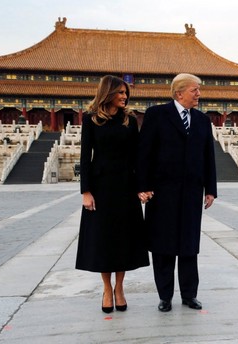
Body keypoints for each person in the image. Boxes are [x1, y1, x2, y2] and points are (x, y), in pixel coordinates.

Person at [136, 73, 217, 312]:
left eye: (199, 90)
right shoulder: (156, 115)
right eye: (195, 90)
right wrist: (143, 185)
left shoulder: (202, 120)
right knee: (163, 247)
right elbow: (144, 153)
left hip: (192, 192)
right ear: (179, 92)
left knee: (189, 246)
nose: (199, 95)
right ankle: (165, 297)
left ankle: (189, 295)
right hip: (162, 193)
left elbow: (208, 157)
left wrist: (210, 189)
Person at [76, 75, 150, 313]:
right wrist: (86, 191)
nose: (124, 97)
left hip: (126, 187)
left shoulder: (129, 119)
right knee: (103, 240)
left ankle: (120, 288)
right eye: (120, 92)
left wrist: (142, 186)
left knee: (123, 239)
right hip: (101, 187)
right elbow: (85, 157)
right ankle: (107, 289)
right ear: (107, 93)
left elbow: (138, 155)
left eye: (126, 93)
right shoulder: (91, 120)